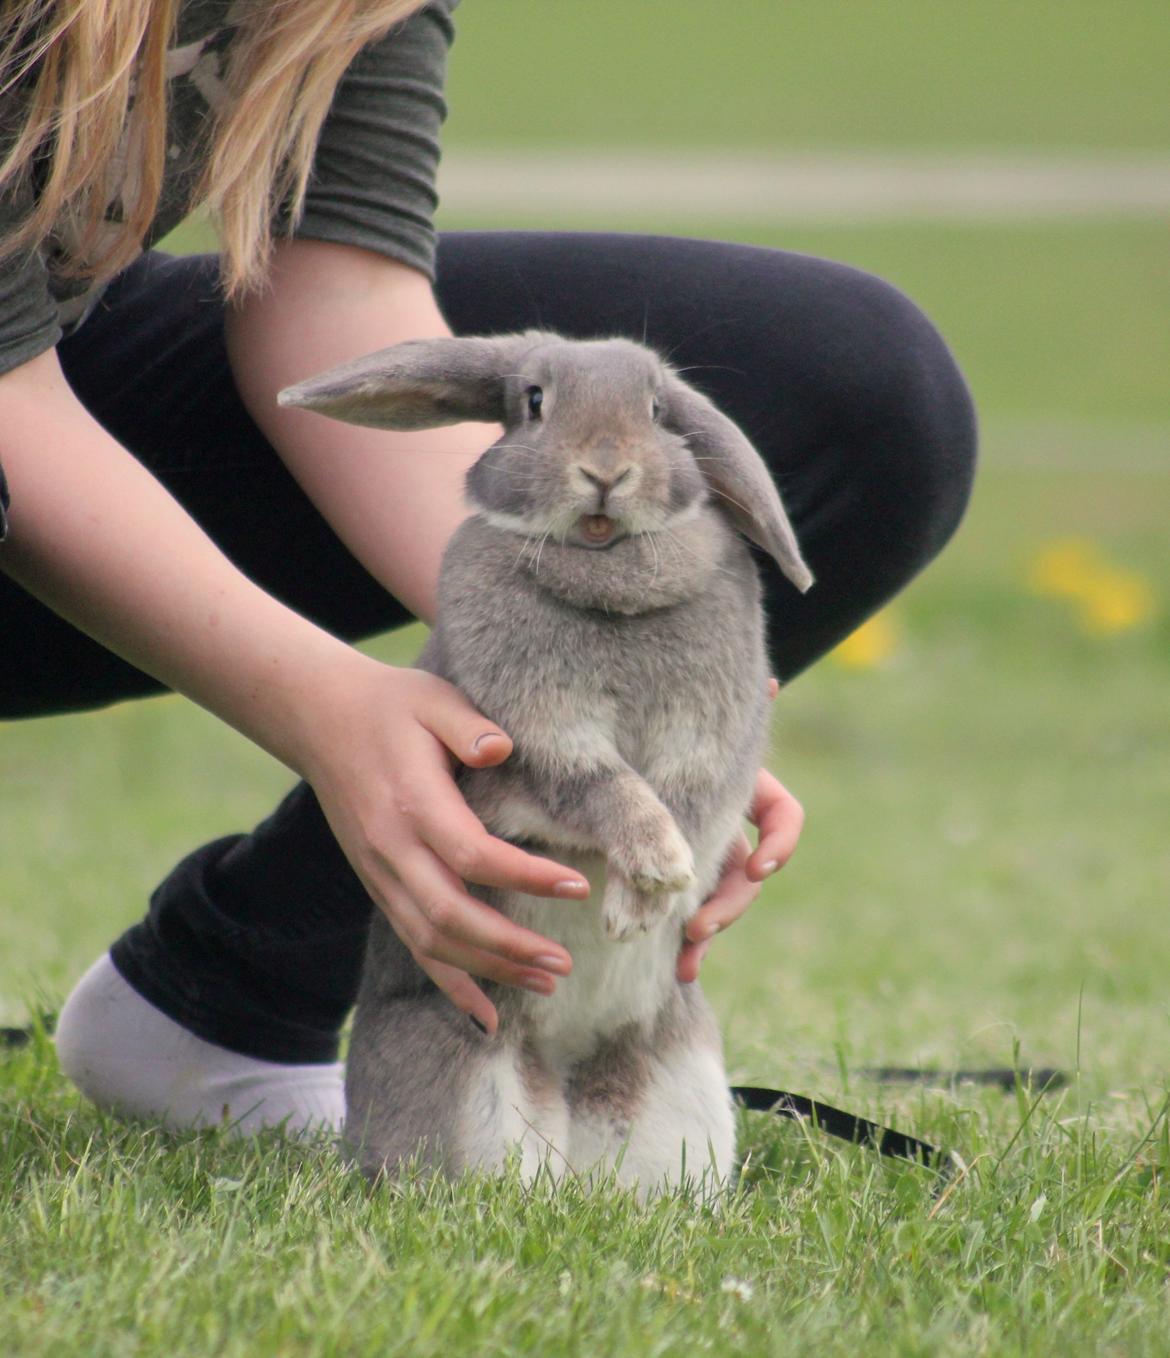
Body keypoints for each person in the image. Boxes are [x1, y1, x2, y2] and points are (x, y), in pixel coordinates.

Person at [0, 0, 976, 1135]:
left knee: (858, 383)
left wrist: (566, 662)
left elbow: (334, 292)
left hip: (58, 366)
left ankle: (233, 997)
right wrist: (325, 708)